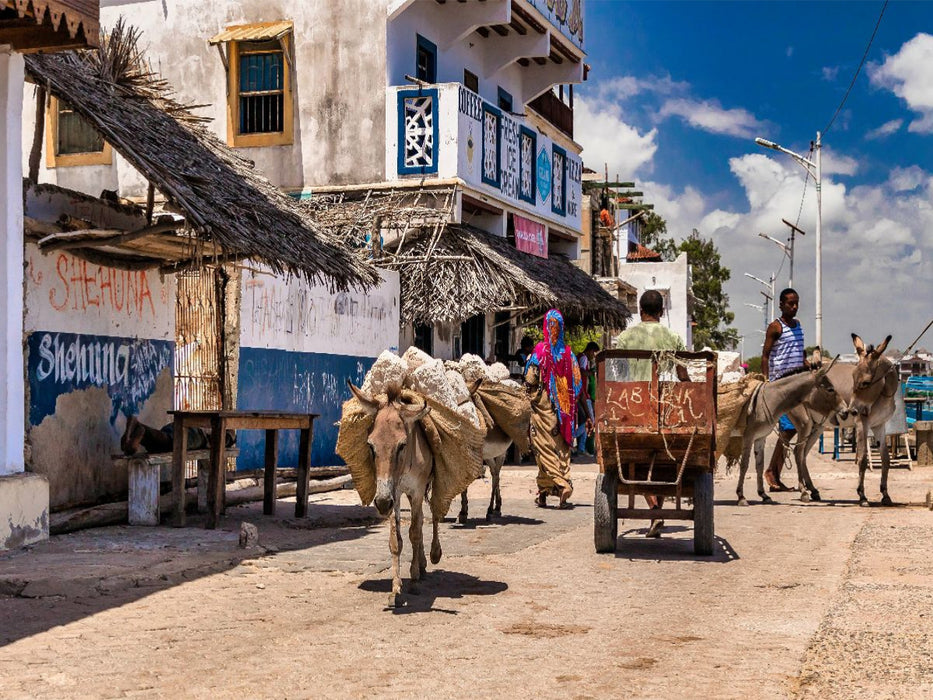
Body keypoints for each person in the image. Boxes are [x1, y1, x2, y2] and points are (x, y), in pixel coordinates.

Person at [614, 290, 689, 537]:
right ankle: (657, 509)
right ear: (662, 311)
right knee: (665, 454)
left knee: (637, 458)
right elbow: (682, 375)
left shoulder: (626, 338)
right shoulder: (673, 337)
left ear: (640, 310)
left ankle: (655, 510)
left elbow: (620, 377)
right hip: (667, 410)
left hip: (633, 407)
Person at [524, 309, 590, 509]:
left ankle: (561, 485)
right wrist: (563, 394)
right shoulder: (569, 354)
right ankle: (544, 493)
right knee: (561, 451)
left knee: (543, 449)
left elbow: (530, 379)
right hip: (564, 413)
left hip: (542, 411)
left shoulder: (539, 353)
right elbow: (578, 384)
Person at [760, 288, 807, 492]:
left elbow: (799, 353)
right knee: (788, 428)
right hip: (781, 385)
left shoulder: (798, 326)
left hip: (798, 384)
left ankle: (775, 474)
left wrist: (808, 365)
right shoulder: (775, 327)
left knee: (796, 427)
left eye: (796, 303)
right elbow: (765, 355)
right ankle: (771, 472)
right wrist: (766, 381)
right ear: (781, 305)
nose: (794, 307)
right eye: (790, 303)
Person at [120, 415, 234, 455]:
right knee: (170, 443)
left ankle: (138, 429)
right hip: (196, 434)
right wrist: (227, 440)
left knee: (157, 446)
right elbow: (221, 439)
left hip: (182, 425)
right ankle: (142, 429)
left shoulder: (213, 421)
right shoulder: (226, 432)